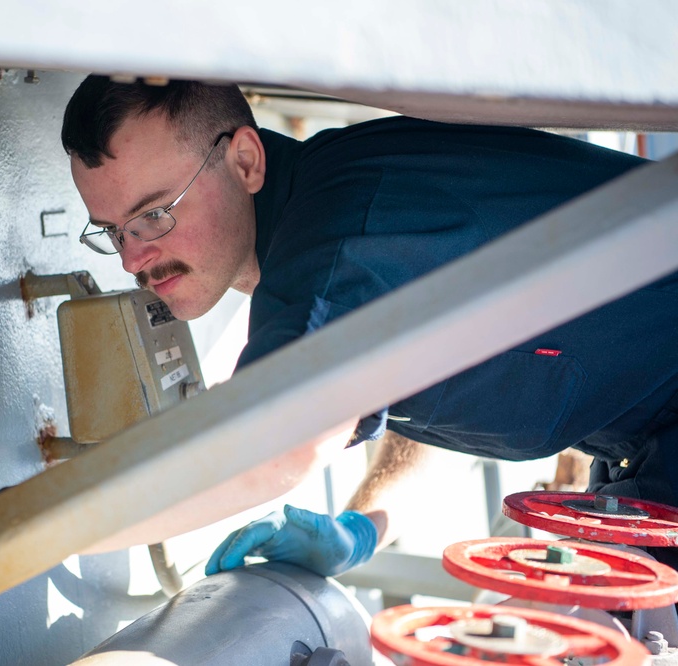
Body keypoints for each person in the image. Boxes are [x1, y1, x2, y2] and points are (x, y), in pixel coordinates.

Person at [61, 75, 678, 573]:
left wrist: (26, 532)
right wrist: (361, 528)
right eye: (111, 231)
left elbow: (274, 450)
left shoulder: (336, 249)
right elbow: (434, 386)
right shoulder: (340, 210)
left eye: (154, 215)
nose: (131, 259)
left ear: (246, 160)